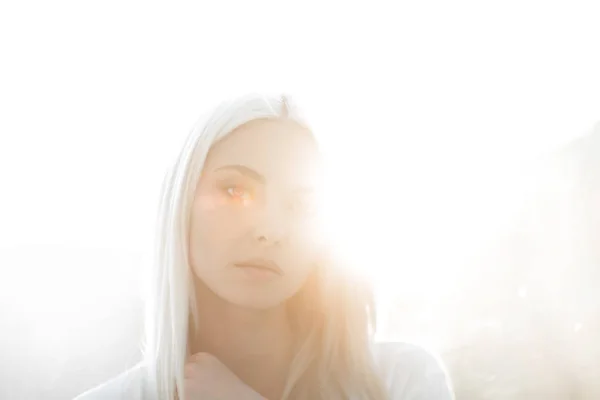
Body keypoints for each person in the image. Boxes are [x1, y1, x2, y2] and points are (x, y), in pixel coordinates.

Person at [73, 94, 453, 400]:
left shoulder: (403, 381)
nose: (270, 231)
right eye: (235, 190)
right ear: (181, 205)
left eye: (302, 205)